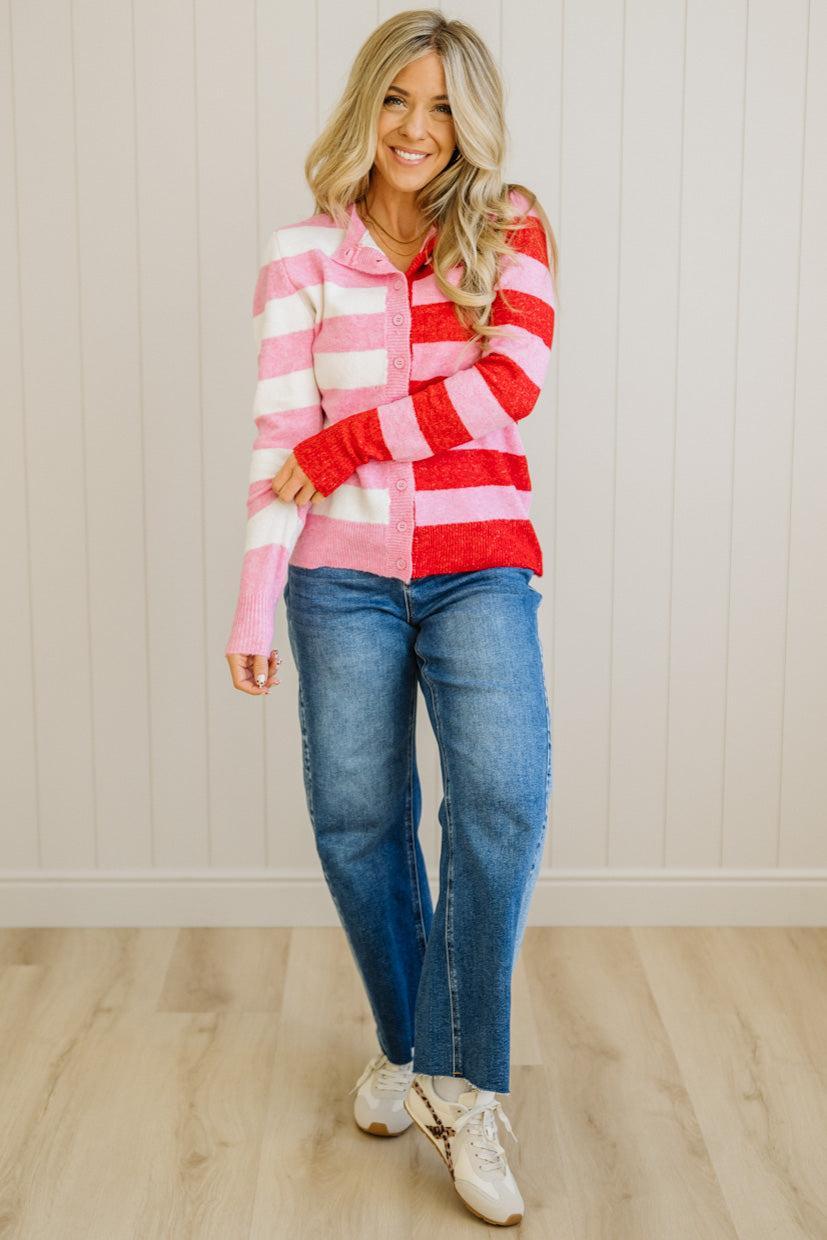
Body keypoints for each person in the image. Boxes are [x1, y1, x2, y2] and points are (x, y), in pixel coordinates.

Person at [224, 9, 558, 1228]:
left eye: (441, 106)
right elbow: (276, 446)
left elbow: (505, 385)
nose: (416, 128)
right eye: (395, 101)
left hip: (478, 564)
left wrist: (351, 437)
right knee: (356, 815)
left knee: (504, 794)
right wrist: (255, 596)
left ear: (470, 121)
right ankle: (415, 1053)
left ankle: (459, 1083)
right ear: (364, 106)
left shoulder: (509, 227)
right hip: (338, 577)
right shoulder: (301, 257)